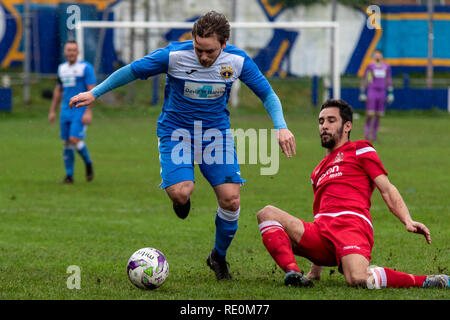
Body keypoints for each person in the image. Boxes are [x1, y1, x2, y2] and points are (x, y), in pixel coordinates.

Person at [68, 11, 296, 281]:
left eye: (209, 51)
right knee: (181, 193)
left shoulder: (238, 61)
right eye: (198, 49)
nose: (202, 57)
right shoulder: (173, 55)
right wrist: (94, 93)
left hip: (215, 135)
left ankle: (218, 257)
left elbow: (267, 93)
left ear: (224, 44)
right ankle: (180, 198)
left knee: (231, 200)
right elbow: (132, 71)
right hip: (176, 133)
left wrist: (281, 126)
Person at [257, 99, 449, 289]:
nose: (324, 126)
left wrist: (407, 220)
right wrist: (316, 270)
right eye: (321, 121)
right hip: (322, 234)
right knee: (267, 213)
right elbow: (320, 215)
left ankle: (426, 280)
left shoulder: (360, 149)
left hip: (351, 227)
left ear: (347, 126)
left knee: (358, 279)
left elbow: (387, 188)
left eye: (331, 121)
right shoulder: (316, 172)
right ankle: (293, 273)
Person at [48, 40, 96, 184]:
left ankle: (88, 163)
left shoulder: (85, 67)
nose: (71, 53)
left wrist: (88, 112)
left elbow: (92, 90)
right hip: (65, 110)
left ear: (78, 52)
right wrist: (52, 111)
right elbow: (58, 90)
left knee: (74, 140)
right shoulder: (61, 68)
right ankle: (69, 176)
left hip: (79, 110)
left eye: (74, 50)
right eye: (69, 50)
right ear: (65, 52)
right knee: (67, 143)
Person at [359, 49, 393, 142]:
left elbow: (388, 79)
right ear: (373, 56)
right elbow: (366, 78)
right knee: (370, 114)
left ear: (381, 56)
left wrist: (390, 93)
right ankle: (366, 134)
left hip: (382, 92)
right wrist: (362, 92)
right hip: (372, 91)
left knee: (378, 115)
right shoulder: (371, 66)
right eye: (375, 55)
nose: (377, 56)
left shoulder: (386, 67)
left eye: (379, 55)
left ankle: (374, 135)